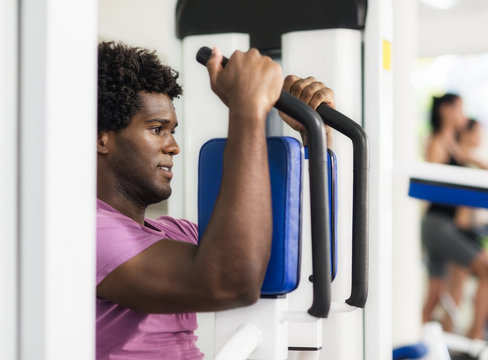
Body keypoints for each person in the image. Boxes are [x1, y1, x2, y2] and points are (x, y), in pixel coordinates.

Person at [96, 41, 335, 359]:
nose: (173, 147)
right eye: (157, 129)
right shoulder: (89, 230)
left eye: (173, 131)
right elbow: (230, 282)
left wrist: (314, 137)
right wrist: (247, 108)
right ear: (101, 138)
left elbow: (288, 255)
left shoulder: (177, 233)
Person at [421, 94, 488, 340]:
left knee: (434, 295)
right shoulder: (438, 142)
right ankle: (475, 335)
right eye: (459, 109)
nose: (463, 116)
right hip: (438, 225)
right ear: (445, 110)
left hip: (443, 226)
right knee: (486, 272)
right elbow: (432, 180)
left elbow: (486, 168)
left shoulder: (453, 145)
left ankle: (433, 342)